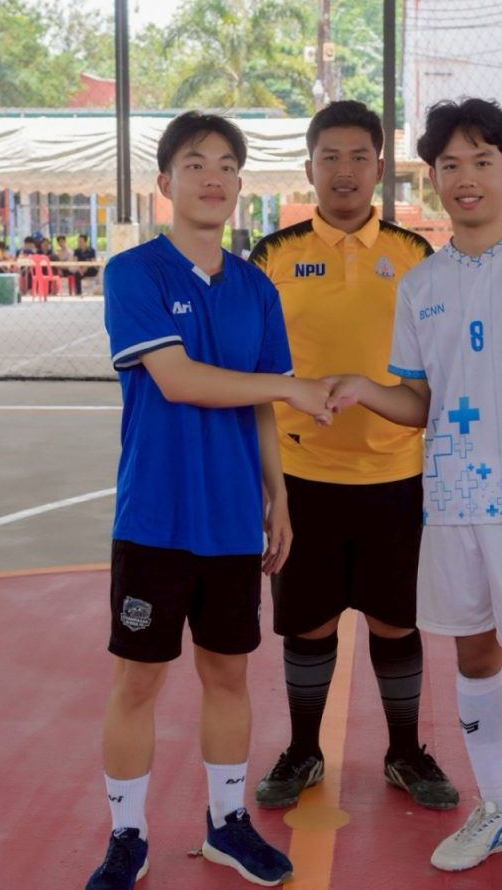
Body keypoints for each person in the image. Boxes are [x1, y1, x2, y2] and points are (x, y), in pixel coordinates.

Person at [324, 99, 502, 890]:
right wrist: (365, 389)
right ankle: (498, 809)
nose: (466, 178)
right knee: (474, 658)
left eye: (482, 162)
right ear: (433, 178)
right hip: (451, 509)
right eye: (450, 165)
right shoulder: (422, 284)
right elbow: (421, 400)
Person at [86, 111, 335, 890]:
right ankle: (127, 836)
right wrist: (292, 387)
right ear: (166, 182)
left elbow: (259, 403)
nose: (213, 178)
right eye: (196, 164)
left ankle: (227, 823)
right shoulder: (135, 274)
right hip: (155, 518)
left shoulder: (256, 289)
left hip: (231, 522)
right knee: (138, 681)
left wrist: (278, 494)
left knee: (228, 675)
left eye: (227, 165)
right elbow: (177, 379)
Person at [248, 100, 458, 813]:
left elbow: (439, 375)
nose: (344, 171)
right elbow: (254, 374)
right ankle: (304, 750)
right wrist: (271, 488)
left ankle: (405, 753)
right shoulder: (271, 257)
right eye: (330, 157)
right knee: (307, 625)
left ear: (379, 168)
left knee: (396, 622)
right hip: (302, 478)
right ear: (308, 167)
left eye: (358, 157)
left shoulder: (416, 256)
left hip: (396, 477)